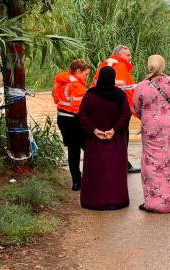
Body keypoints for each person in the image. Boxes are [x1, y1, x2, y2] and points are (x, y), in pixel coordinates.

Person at [133, 55, 170, 213]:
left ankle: (155, 202)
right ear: (163, 66)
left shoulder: (141, 86)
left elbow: (135, 108)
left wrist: (147, 118)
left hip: (151, 129)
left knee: (153, 164)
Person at [78, 66, 132, 210]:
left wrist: (94, 130)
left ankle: (94, 201)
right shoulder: (120, 95)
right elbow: (126, 114)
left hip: (95, 141)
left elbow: (82, 115)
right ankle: (116, 200)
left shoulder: (90, 95)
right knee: (114, 171)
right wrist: (114, 130)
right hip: (115, 141)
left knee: (96, 171)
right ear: (113, 78)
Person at [93, 45, 139, 173]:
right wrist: (133, 109)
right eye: (128, 55)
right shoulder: (121, 66)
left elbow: (95, 84)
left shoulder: (106, 63)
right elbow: (124, 91)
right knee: (123, 137)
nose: (130, 57)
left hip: (103, 108)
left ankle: (120, 163)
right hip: (119, 109)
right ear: (120, 55)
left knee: (110, 136)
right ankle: (121, 165)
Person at [52, 59, 90, 191]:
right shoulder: (77, 85)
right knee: (90, 148)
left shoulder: (60, 81)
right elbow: (79, 109)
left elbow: (55, 99)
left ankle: (76, 181)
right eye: (86, 74)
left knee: (73, 151)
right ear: (78, 71)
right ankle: (92, 177)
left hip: (62, 119)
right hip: (75, 120)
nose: (87, 77)